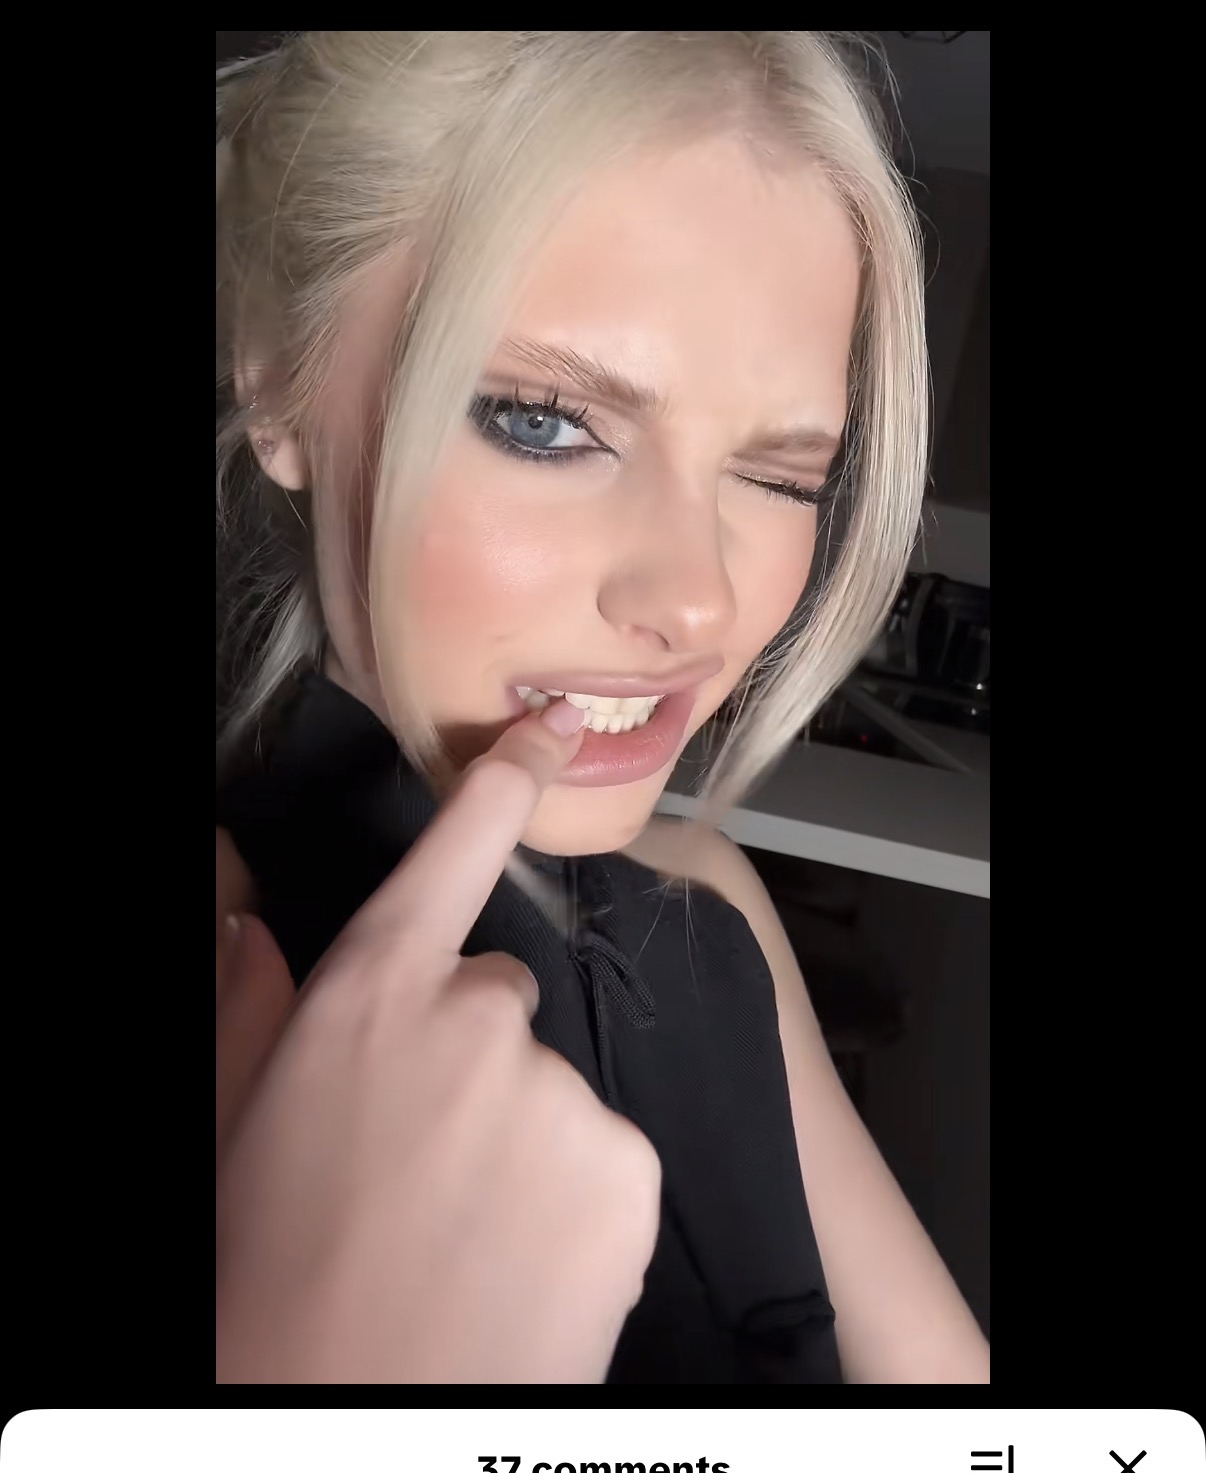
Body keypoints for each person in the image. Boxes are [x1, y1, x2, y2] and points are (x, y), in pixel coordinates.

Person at [216, 30, 990, 1385]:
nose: (698, 602)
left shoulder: (710, 909)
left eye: (780, 477)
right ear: (278, 375)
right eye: (544, 422)